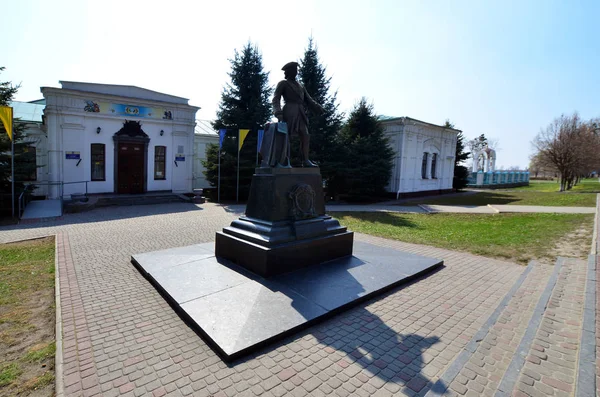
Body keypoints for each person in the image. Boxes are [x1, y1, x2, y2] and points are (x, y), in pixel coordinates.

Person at [272, 61, 324, 167]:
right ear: (289, 71)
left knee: (305, 135)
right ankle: (283, 160)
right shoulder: (283, 83)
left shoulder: (301, 86)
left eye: (296, 70)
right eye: (294, 70)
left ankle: (305, 160)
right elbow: (276, 98)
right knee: (287, 136)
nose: (296, 72)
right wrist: (278, 112)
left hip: (300, 112)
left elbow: (308, 100)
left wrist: (318, 108)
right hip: (289, 111)